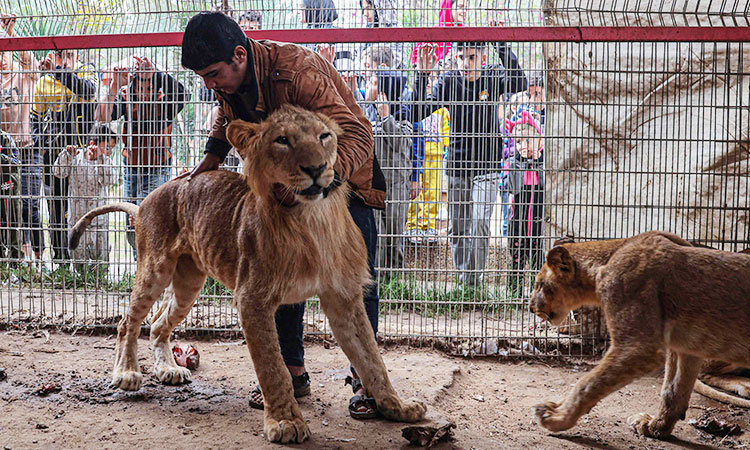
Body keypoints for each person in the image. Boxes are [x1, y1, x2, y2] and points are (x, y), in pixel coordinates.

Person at [179, 12, 386, 419]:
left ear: (239, 55)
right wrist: (211, 158)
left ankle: (366, 382)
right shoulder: (233, 78)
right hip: (288, 182)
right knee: (279, 266)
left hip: (346, 177)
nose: (209, 84)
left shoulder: (298, 72)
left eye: (212, 73)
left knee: (353, 280)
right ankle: (292, 372)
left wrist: (322, 182)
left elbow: (359, 132)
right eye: (203, 77)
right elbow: (228, 115)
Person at [411, 40, 527, 292]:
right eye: (461, 56)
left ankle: (474, 283)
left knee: (480, 223)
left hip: (487, 164)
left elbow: (521, 84)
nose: (466, 63)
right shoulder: (449, 80)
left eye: (472, 56)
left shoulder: (493, 74)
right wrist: (421, 74)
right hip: (457, 164)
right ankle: (464, 284)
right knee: (458, 228)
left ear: (482, 56)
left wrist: (502, 45)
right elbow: (417, 112)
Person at [95, 55, 188, 259]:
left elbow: (183, 94)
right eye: (141, 87)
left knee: (151, 219)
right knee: (132, 222)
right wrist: (114, 86)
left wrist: (155, 72)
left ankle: (152, 266)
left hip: (157, 167)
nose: (145, 93)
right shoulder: (126, 97)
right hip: (132, 168)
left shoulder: (165, 102)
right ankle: (141, 264)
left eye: (150, 88)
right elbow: (102, 116)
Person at [31, 49, 99, 265]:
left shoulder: (86, 72)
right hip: (54, 154)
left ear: (78, 56)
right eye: (60, 55)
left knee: (84, 207)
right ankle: (61, 261)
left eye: (70, 54)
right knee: (56, 208)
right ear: (52, 56)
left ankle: (87, 262)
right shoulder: (44, 82)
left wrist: (59, 71)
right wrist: (40, 143)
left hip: (81, 154)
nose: (65, 59)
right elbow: (35, 117)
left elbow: (88, 91)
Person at [364, 70, 413, 276]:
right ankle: (375, 280)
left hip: (397, 186)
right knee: (376, 236)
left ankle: (395, 282)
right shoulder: (365, 113)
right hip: (373, 185)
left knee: (394, 235)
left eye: (373, 83)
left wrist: (386, 117)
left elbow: (401, 143)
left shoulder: (402, 115)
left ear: (383, 92)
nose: (367, 85)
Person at [0, 13, 39, 264]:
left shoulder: (23, 74)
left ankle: (35, 257)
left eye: (3, 52)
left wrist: (11, 34)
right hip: (2, 153)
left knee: (29, 206)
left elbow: (31, 63)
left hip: (24, 149)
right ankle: (12, 257)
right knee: (6, 210)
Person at [52, 124, 117, 269]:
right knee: (77, 256)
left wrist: (100, 161)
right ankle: (81, 279)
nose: (110, 152)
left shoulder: (105, 161)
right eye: (107, 147)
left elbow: (109, 181)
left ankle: (100, 281)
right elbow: (58, 172)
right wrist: (67, 155)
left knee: (101, 257)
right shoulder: (76, 157)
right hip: (77, 219)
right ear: (93, 144)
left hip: (99, 220)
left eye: (112, 148)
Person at [503, 111, 544, 296]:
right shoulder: (512, 162)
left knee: (538, 258)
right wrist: (519, 162)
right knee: (517, 256)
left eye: (528, 140)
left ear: (539, 141)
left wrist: (538, 162)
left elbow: (547, 186)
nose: (523, 146)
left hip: (537, 218)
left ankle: (537, 294)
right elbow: (512, 187)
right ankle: (514, 293)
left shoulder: (544, 162)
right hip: (518, 219)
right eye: (518, 142)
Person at [358, 0, 405, 68]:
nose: (365, 13)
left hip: (390, 75)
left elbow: (395, 59)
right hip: (366, 75)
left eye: (369, 8)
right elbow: (358, 57)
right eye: (364, 9)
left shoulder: (395, 27)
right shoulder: (366, 28)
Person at [0, 129, 22, 262]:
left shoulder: (4, 138)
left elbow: (15, 163)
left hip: (7, 184)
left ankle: (16, 261)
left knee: (12, 220)